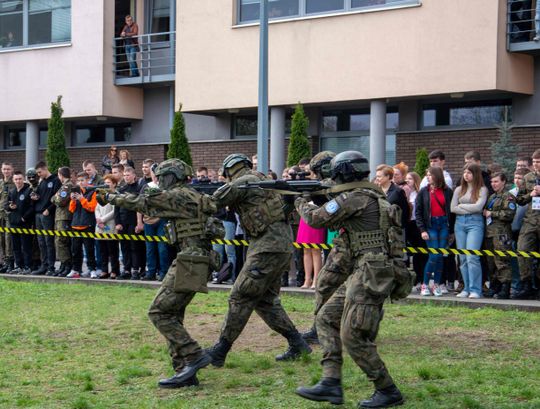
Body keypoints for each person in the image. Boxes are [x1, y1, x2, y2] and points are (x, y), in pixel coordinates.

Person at [295, 151, 404, 408]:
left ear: (343, 173)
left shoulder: (356, 198)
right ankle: (331, 382)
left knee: (352, 335)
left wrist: (300, 199)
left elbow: (315, 219)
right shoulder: (371, 194)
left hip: (370, 273)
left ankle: (387, 390)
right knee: (325, 318)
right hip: (366, 270)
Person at [99, 158, 219, 388]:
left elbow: (142, 202)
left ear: (171, 177)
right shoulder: (190, 195)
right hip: (194, 259)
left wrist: (111, 197)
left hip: (192, 260)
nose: (158, 181)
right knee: (173, 314)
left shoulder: (177, 195)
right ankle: (184, 372)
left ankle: (193, 356)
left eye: (161, 177)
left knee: (158, 312)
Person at [206, 154, 311, 367]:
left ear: (229, 171)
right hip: (278, 246)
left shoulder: (243, 182)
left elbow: (213, 200)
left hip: (267, 248)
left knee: (240, 295)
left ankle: (221, 349)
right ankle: (297, 343)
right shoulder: (264, 182)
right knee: (265, 301)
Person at [300, 151, 354, 346]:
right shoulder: (353, 185)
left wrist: (301, 200)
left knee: (324, 282)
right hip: (356, 246)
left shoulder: (335, 186)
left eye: (316, 173)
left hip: (351, 247)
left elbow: (318, 218)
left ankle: (319, 329)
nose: (315, 177)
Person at [415, 167, 454, 296]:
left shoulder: (447, 191)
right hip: (430, 225)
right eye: (426, 175)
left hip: (443, 225)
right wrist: (422, 230)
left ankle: (436, 284)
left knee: (441, 256)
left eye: (430, 175)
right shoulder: (423, 192)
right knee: (434, 255)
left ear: (437, 176)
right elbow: (418, 212)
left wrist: (451, 230)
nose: (427, 177)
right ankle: (425, 284)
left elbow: (451, 211)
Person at [451, 163, 488, 299]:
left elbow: (479, 208)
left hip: (475, 223)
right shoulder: (459, 189)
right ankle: (466, 288)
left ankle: (475, 289)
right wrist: (468, 207)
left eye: (469, 172)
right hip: (459, 223)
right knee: (462, 258)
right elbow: (453, 208)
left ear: (475, 174)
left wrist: (462, 205)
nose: (466, 175)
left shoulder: (482, 189)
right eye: (465, 172)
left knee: (472, 257)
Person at [483, 172, 516, 299]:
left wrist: (492, 213)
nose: (493, 184)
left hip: (502, 234)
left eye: (496, 181)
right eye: (492, 182)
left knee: (502, 261)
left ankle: (505, 288)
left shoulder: (508, 197)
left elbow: (509, 214)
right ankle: (494, 286)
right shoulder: (492, 197)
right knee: (491, 262)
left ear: (503, 182)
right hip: (490, 234)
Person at [514, 149, 540, 299]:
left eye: (539, 162)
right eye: (534, 162)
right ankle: (526, 284)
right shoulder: (528, 177)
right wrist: (530, 195)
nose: (536, 165)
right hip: (530, 221)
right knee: (522, 249)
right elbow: (519, 199)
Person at [31, 161, 61, 276]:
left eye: (40, 172)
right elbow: (39, 196)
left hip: (47, 214)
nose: (38, 175)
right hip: (38, 214)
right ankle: (43, 266)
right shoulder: (41, 182)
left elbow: (56, 199)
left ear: (45, 169)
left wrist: (49, 209)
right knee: (41, 242)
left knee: (49, 241)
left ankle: (51, 266)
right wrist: (34, 197)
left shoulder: (55, 181)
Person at [116, 167, 144, 279]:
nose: (126, 177)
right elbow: (116, 207)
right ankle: (126, 269)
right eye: (124, 175)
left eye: (128, 175)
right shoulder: (122, 189)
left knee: (135, 247)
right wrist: (118, 223)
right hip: (123, 222)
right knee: (124, 247)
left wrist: (139, 223)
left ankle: (136, 270)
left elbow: (141, 206)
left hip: (134, 221)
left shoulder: (139, 188)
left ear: (133, 175)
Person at [67, 172, 98, 279]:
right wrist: (73, 200)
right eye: (79, 181)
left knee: (89, 249)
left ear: (87, 180)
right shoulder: (76, 191)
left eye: (82, 180)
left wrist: (82, 199)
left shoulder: (93, 192)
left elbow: (92, 208)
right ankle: (76, 269)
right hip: (76, 224)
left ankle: (92, 269)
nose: (80, 183)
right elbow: (71, 210)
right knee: (75, 250)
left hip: (88, 224)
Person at [5, 171, 34, 275]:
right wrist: (10, 207)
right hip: (13, 223)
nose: (18, 181)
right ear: (13, 180)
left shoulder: (29, 190)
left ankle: (28, 266)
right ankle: (19, 266)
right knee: (16, 247)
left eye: (20, 179)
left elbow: (32, 207)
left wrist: (24, 218)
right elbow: (6, 205)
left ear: (23, 179)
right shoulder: (12, 191)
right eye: (16, 179)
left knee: (26, 246)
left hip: (24, 223)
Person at [405, 171, 428, 289]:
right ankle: (414, 280)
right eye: (406, 178)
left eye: (410, 179)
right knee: (411, 254)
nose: (407, 180)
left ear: (416, 180)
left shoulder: (420, 193)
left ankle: (421, 279)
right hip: (408, 224)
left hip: (417, 224)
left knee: (421, 253)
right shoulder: (405, 193)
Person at [51, 167, 73, 277]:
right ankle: (63, 265)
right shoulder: (63, 186)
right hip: (60, 217)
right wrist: (55, 197)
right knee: (59, 242)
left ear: (61, 175)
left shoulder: (67, 186)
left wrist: (55, 197)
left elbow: (61, 201)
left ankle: (67, 265)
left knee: (62, 241)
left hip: (64, 217)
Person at [0, 162, 15, 274]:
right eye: (4, 169)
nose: (6, 171)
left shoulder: (15, 183)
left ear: (12, 170)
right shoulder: (0, 183)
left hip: (10, 215)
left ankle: (10, 263)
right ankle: (3, 262)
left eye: (8, 169)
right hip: (0, 214)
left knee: (9, 238)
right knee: (1, 240)